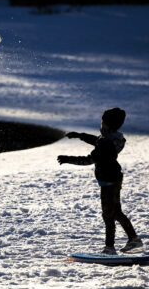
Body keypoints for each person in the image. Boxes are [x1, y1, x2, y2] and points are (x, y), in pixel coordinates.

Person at [57, 108, 142, 255]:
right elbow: (98, 141)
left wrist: (67, 159)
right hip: (114, 179)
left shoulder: (105, 143)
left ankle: (109, 248)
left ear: (107, 124)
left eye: (102, 121)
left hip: (108, 182)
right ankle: (133, 239)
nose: (101, 124)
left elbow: (89, 160)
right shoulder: (114, 138)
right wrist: (80, 136)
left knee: (108, 214)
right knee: (115, 211)